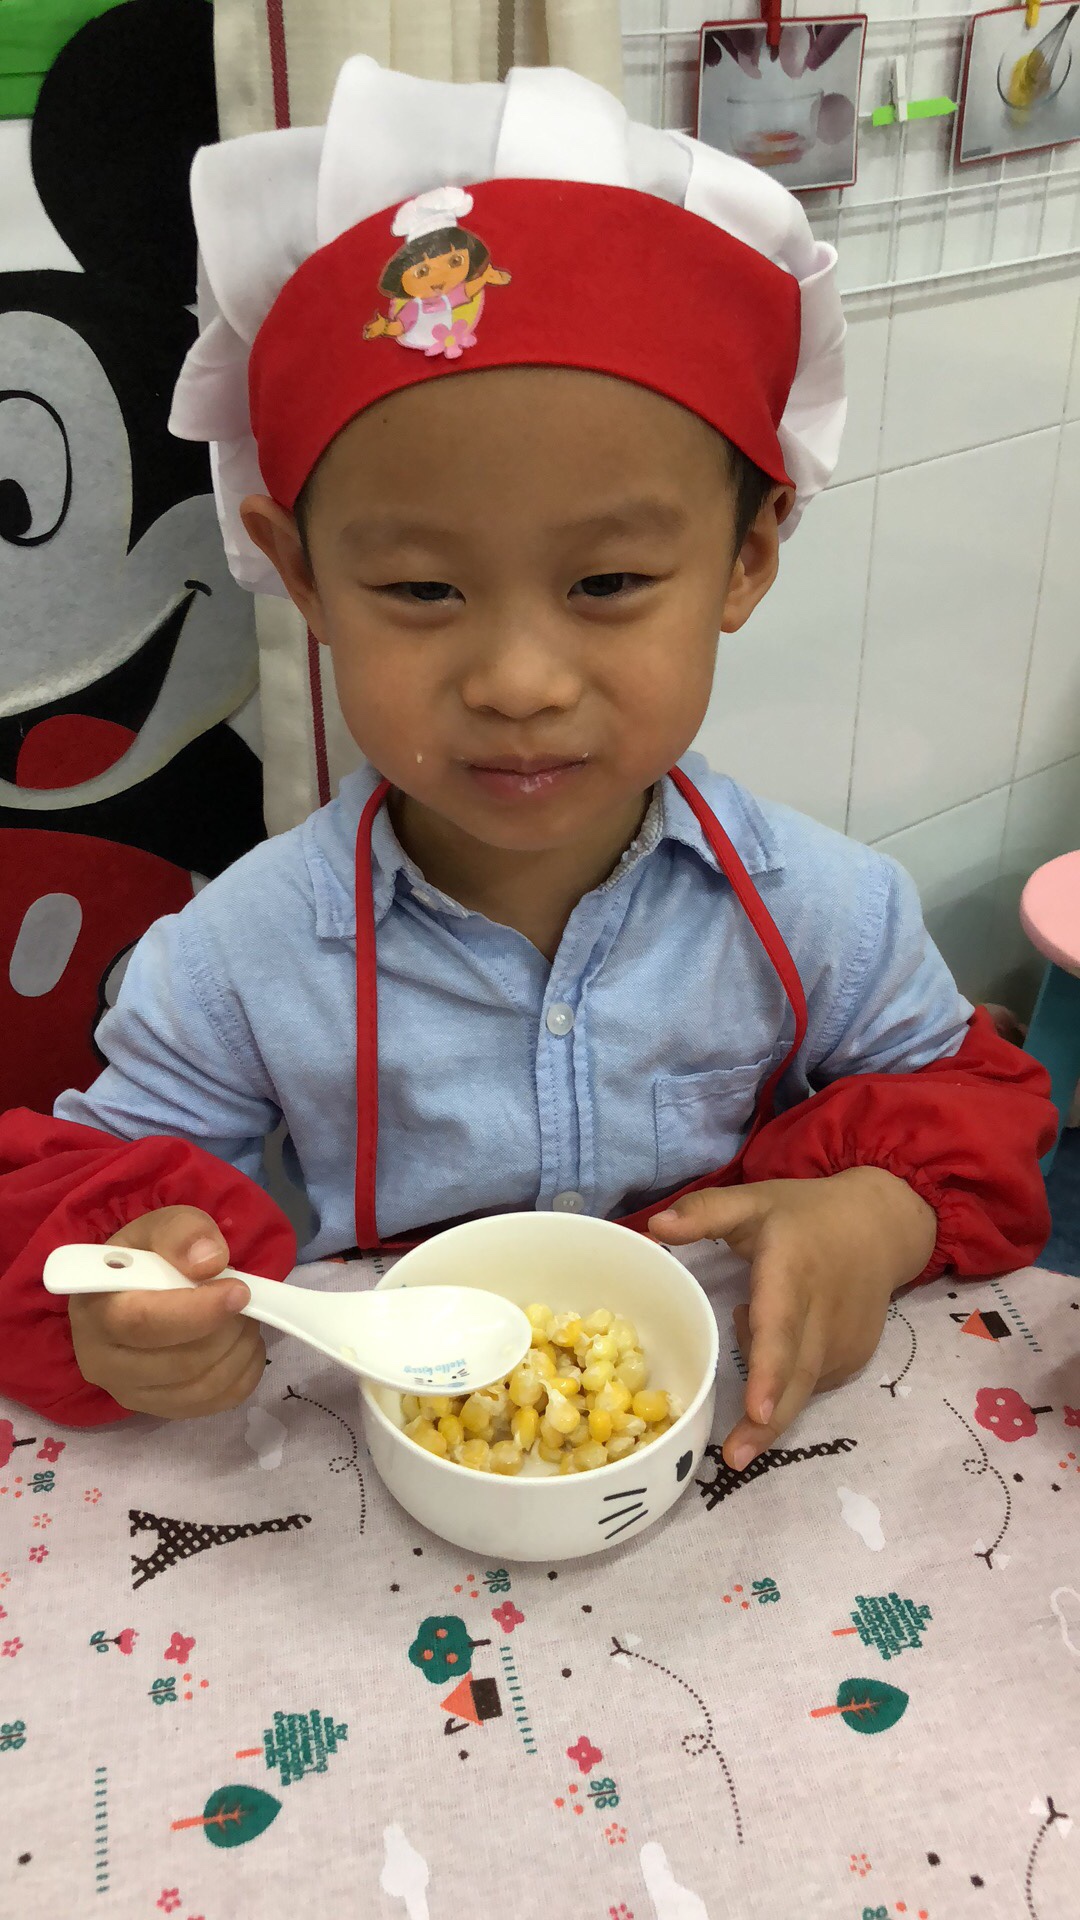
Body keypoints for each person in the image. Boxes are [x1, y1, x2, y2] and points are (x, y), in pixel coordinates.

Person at [0, 59, 1054, 1466]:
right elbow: (95, 1202)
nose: (518, 681)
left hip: (733, 1442)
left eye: (607, 582)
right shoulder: (238, 959)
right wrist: (132, 1293)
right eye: (421, 591)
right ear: (301, 578)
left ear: (746, 560)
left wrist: (879, 1211)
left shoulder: (826, 915)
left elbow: (972, 1108)